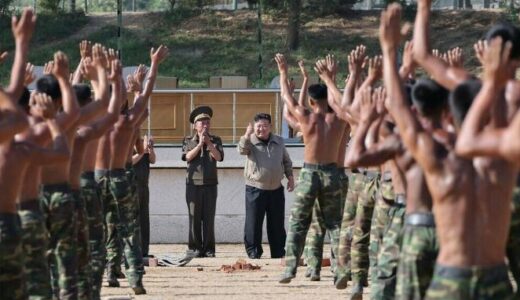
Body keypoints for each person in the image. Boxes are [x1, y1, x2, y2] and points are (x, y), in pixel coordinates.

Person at [380, 3, 516, 299]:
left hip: (451, 278)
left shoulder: (439, 162)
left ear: (449, 115)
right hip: (495, 279)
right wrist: (495, 83)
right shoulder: (505, 161)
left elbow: (400, 110)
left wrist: (390, 51)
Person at [275, 54, 345, 284]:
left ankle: (290, 268)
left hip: (310, 172)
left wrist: (284, 71)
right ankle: (340, 270)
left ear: (312, 102)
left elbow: (287, 98)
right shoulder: (339, 120)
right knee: (335, 223)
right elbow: (342, 103)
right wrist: (331, 78)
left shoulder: (306, 118)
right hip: (333, 172)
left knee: (298, 221)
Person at [237, 112, 294, 259]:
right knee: (253, 222)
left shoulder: (279, 141)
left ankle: (278, 251)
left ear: (270, 127)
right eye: (258, 126)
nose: (261, 129)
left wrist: (290, 177)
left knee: (276, 223)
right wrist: (246, 135)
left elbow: (286, 161)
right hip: (255, 188)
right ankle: (254, 251)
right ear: (254, 127)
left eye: (264, 126)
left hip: (276, 188)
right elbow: (241, 150)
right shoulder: (250, 140)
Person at [182, 106, 224, 258]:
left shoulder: (216, 140)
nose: (205, 125)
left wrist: (209, 144)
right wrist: (200, 144)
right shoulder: (188, 140)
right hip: (193, 185)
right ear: (195, 126)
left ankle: (209, 249)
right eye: (201, 122)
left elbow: (218, 157)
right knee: (194, 217)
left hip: (211, 184)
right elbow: (187, 157)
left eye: (207, 122)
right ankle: (195, 248)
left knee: (209, 218)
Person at [133, 133, 156, 258]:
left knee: (144, 219)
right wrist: (142, 152)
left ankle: (144, 250)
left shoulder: (143, 141)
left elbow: (153, 160)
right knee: (134, 220)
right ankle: (133, 251)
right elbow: (128, 161)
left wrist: (150, 149)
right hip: (132, 185)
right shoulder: (126, 142)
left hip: (143, 186)